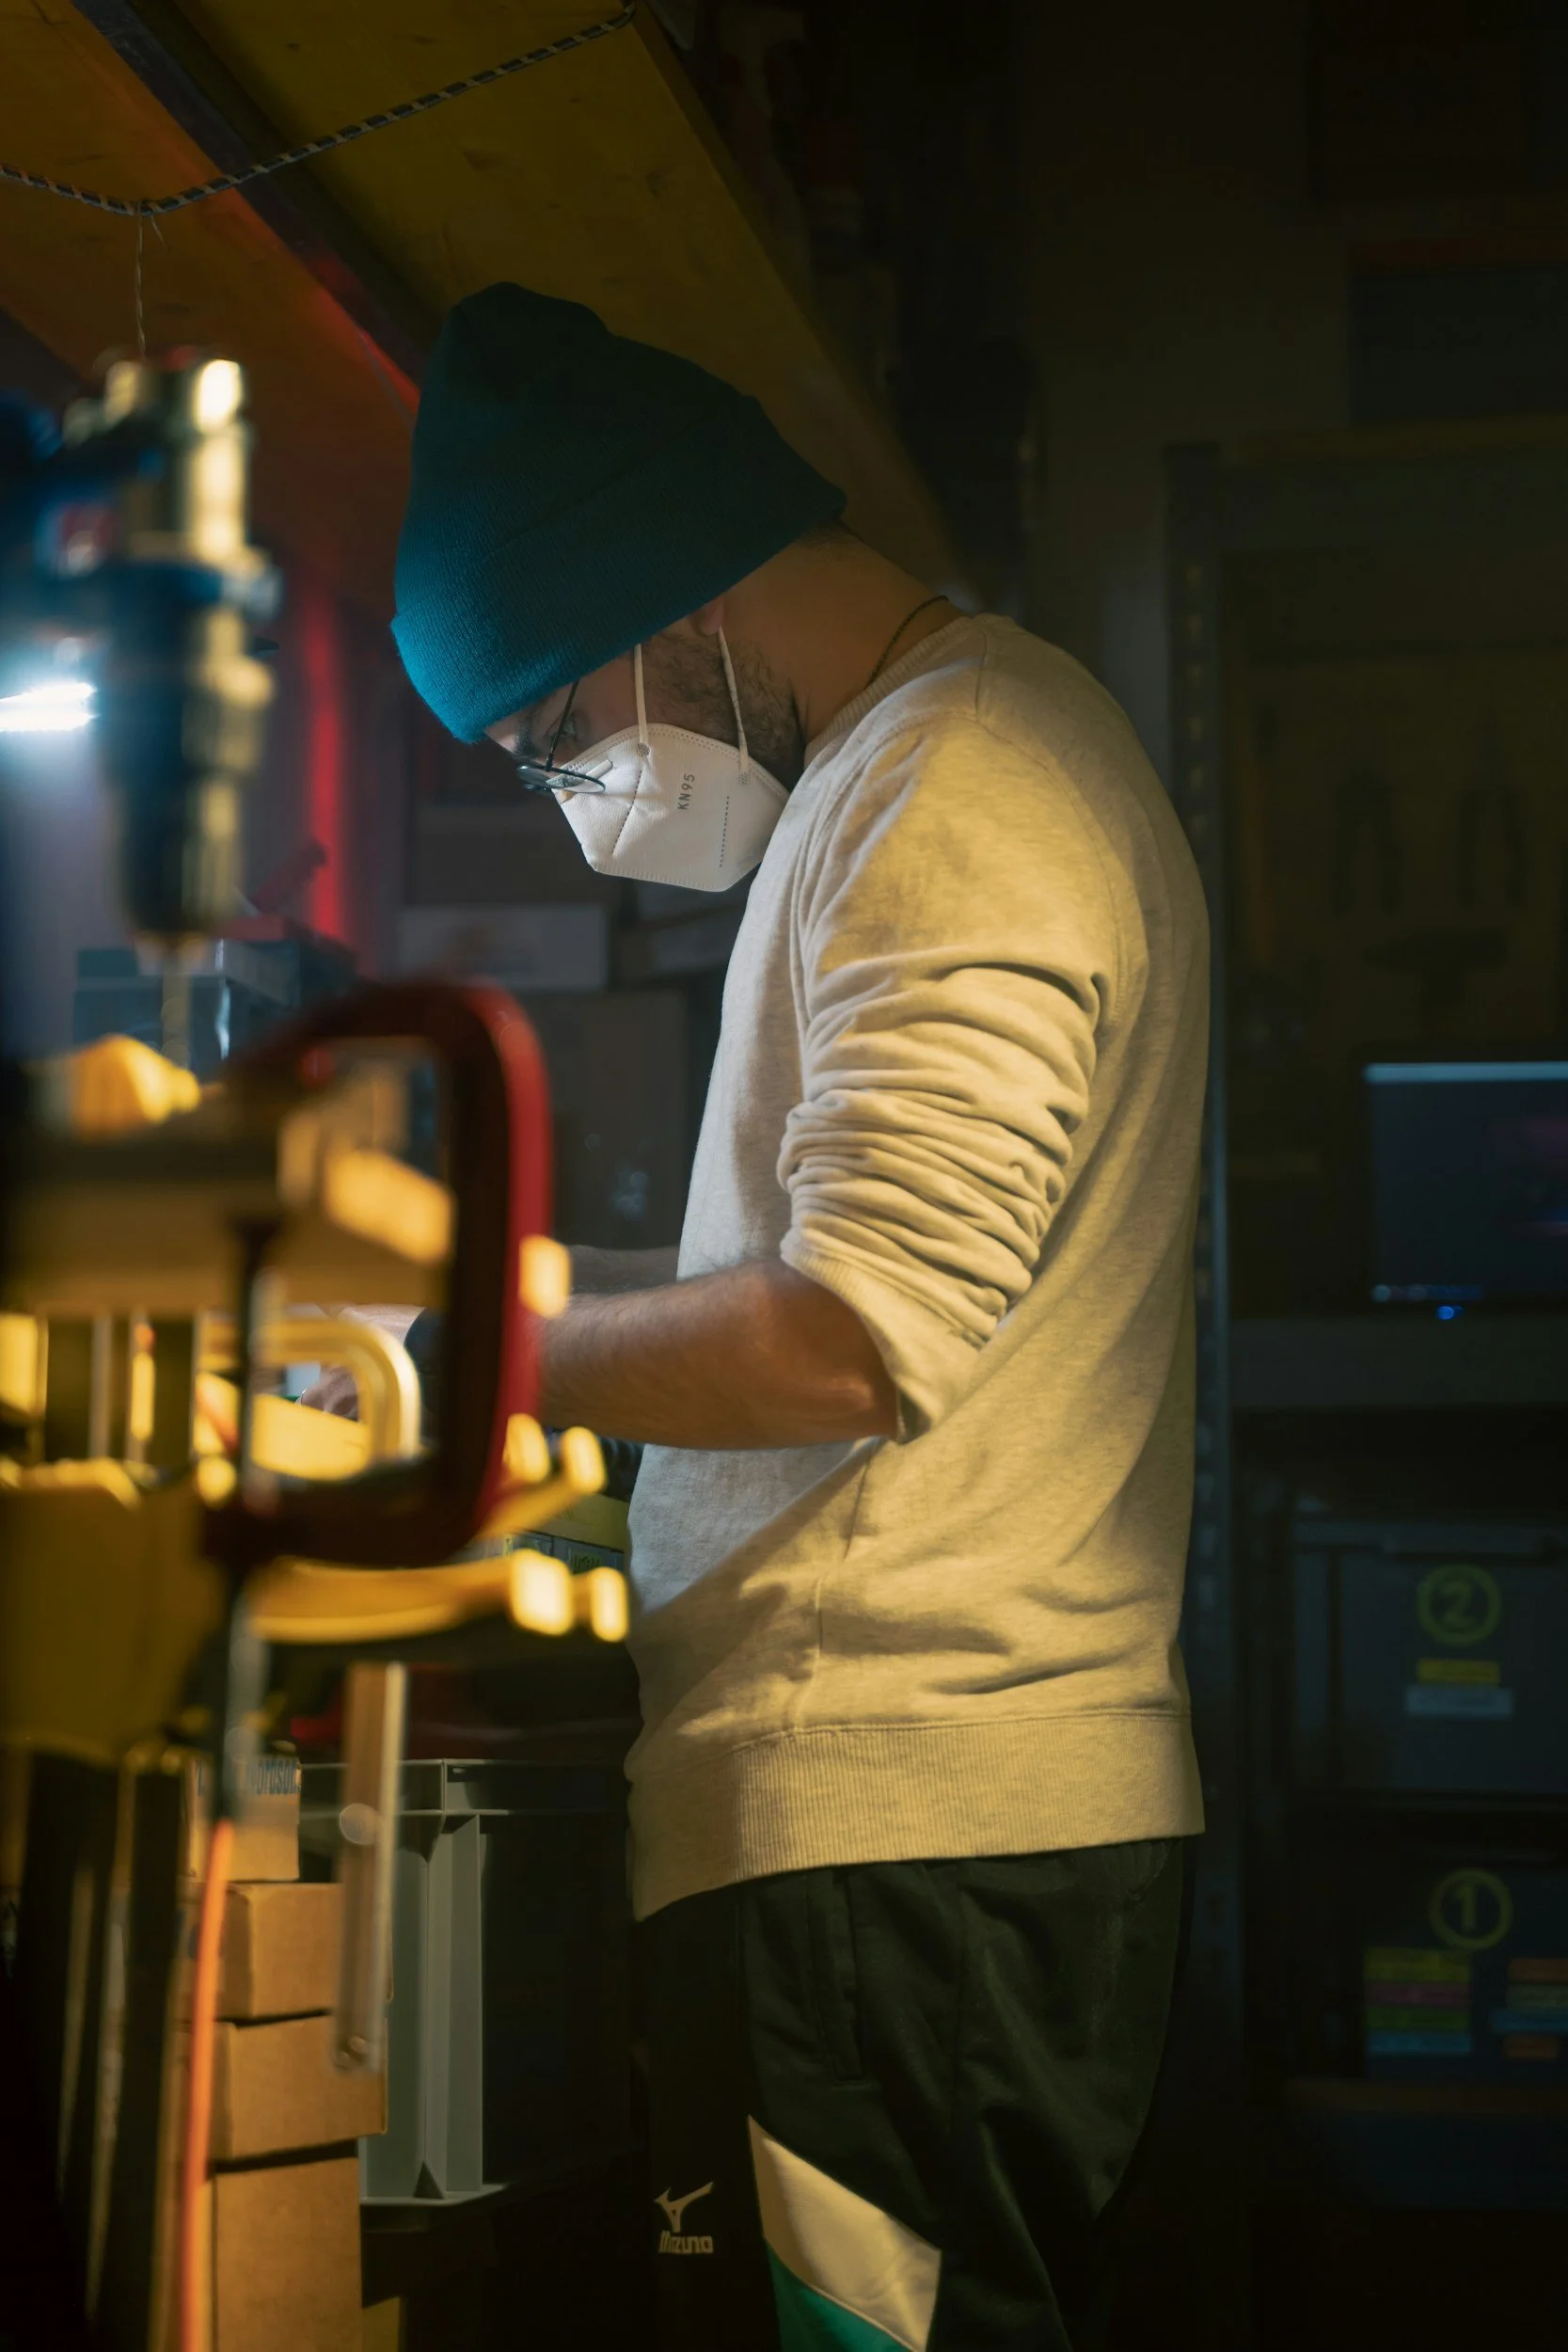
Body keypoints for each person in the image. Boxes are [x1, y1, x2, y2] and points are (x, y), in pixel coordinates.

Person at [391, 282, 1209, 2350]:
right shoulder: (903, 772)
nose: (577, 788)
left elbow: (854, 1331)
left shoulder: (956, 786)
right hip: (897, 1837)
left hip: (896, 1841)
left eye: (554, 731)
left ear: (660, 598)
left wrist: (462, 1347)